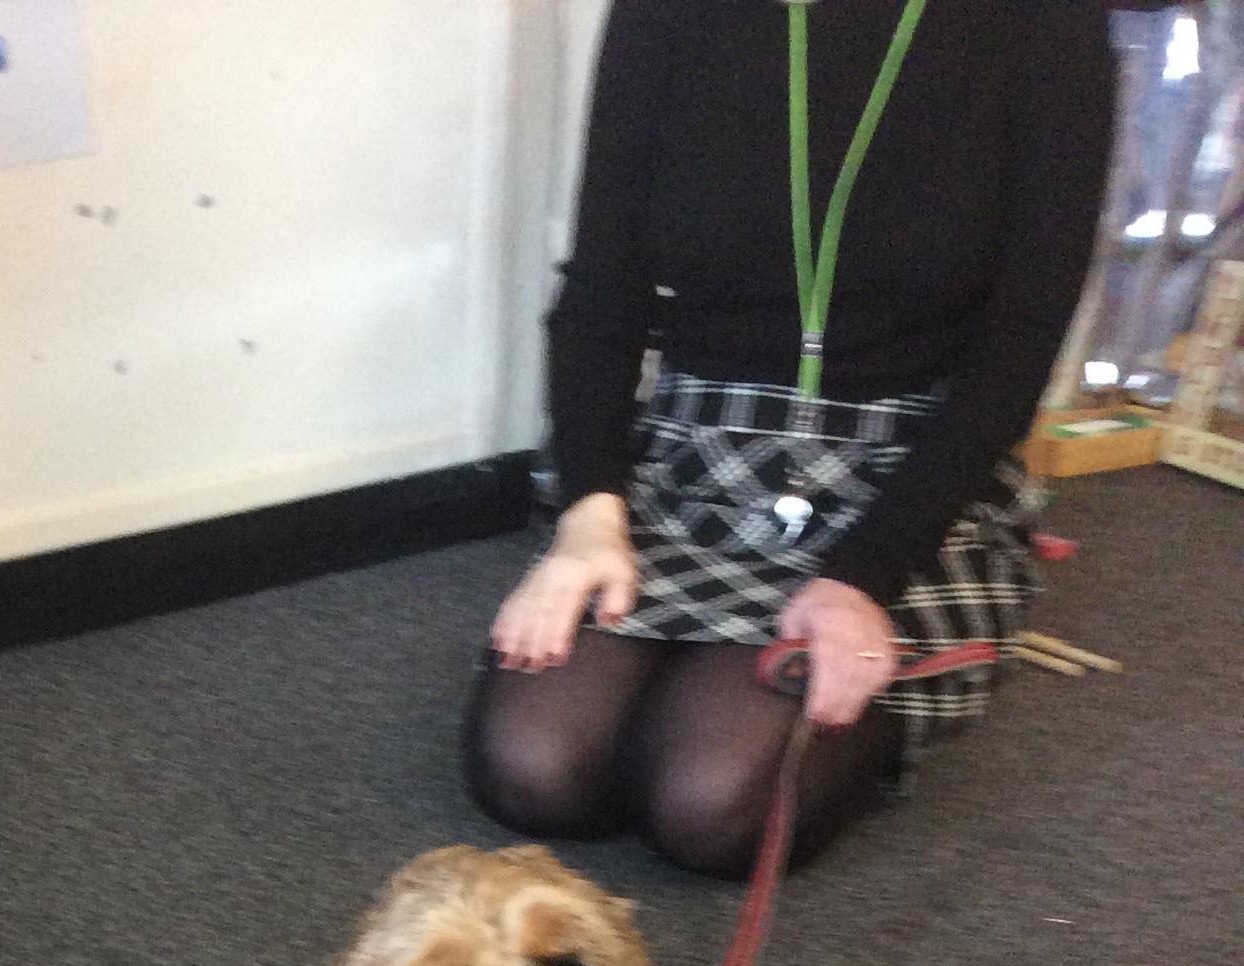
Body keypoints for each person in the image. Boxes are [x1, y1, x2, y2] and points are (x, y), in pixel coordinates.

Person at [464, 0, 1120, 880]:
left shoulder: (1047, 24)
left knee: (709, 803)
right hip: (694, 456)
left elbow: (1021, 340)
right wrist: (588, 519)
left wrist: (866, 577)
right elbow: (599, 292)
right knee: (537, 768)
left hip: (908, 478)